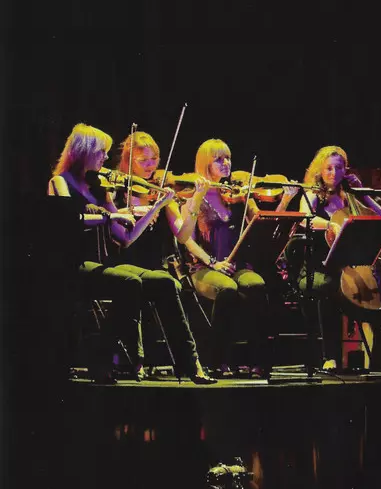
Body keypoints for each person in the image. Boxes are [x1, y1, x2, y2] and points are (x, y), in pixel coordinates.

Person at [112, 130, 216, 384]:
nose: (150, 166)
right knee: (146, 288)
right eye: (143, 160)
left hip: (155, 266)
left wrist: (195, 201)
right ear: (128, 161)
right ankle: (135, 362)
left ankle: (191, 364)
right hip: (123, 263)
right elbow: (120, 238)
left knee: (168, 285)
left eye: (154, 159)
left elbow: (183, 234)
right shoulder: (116, 189)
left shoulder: (162, 191)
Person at [182, 138, 292, 377]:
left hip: (237, 264)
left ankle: (257, 360)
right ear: (205, 164)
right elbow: (186, 239)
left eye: (228, 158)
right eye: (218, 159)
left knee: (256, 285)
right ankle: (217, 359)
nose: (226, 164)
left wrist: (285, 200)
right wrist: (213, 263)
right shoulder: (193, 195)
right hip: (204, 266)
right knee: (227, 290)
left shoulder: (238, 194)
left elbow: (265, 223)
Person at [47, 123, 145, 383]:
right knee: (129, 282)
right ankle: (101, 356)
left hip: (98, 264)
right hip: (71, 264)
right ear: (84, 151)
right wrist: (110, 216)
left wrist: (155, 207)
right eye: (101, 151)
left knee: (133, 284)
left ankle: (103, 352)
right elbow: (69, 220)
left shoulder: (98, 188)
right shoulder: (60, 182)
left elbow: (123, 237)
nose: (105, 157)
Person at [298, 145, 381, 371]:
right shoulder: (313, 194)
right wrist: (331, 224)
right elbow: (305, 218)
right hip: (318, 267)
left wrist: (363, 194)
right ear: (320, 170)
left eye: (339, 168)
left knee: (376, 288)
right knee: (329, 289)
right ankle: (331, 357)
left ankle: (379, 359)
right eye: (328, 168)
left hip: (347, 265)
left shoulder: (348, 196)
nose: (333, 173)